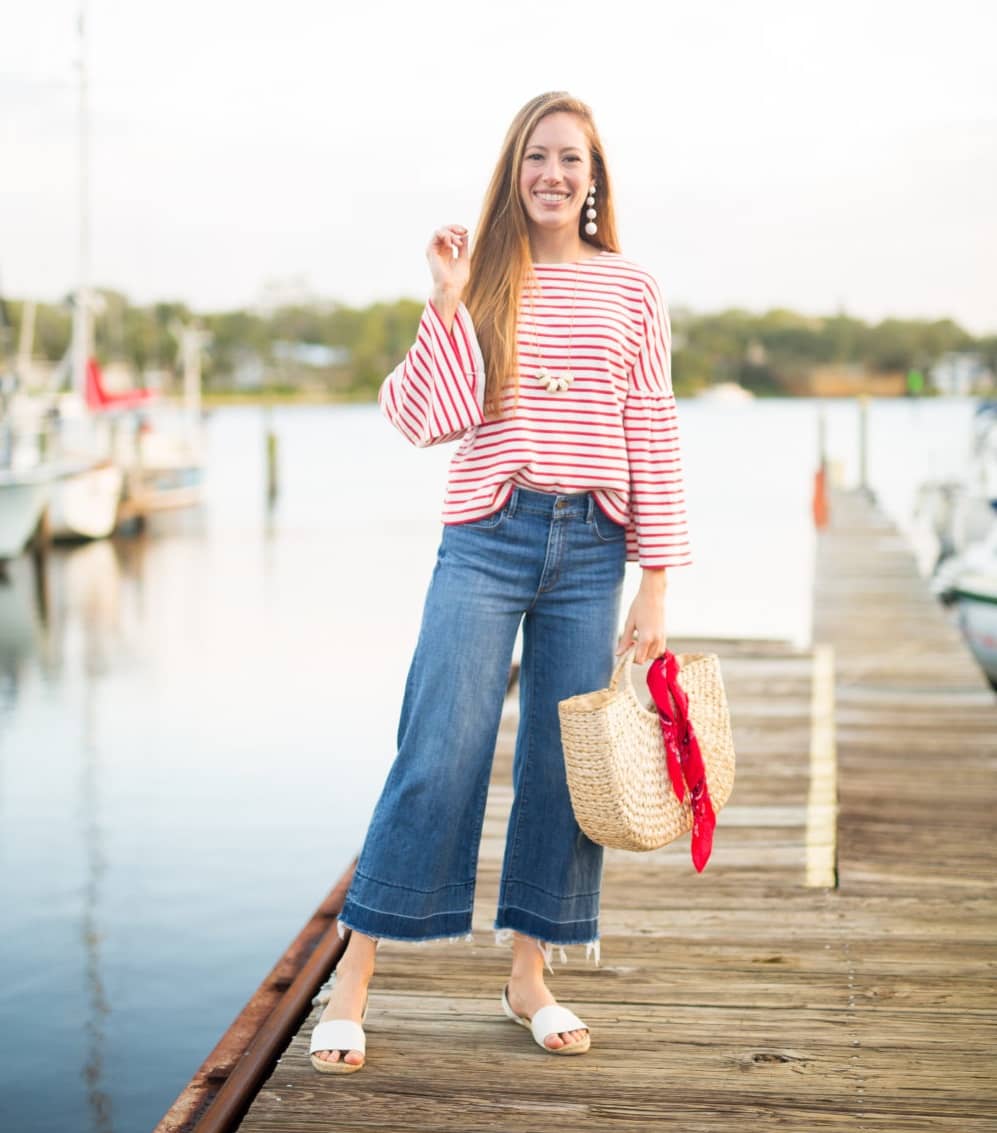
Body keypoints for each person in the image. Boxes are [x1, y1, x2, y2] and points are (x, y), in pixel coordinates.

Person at [309, 91, 692, 1073]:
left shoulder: (634, 288)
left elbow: (650, 428)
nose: (553, 174)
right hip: (487, 534)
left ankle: (530, 972)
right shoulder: (483, 275)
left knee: (560, 768)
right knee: (437, 749)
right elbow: (422, 416)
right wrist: (444, 301)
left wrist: (657, 578)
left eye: (571, 158)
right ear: (512, 172)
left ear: (594, 177)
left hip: (592, 548)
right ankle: (351, 974)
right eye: (536, 157)